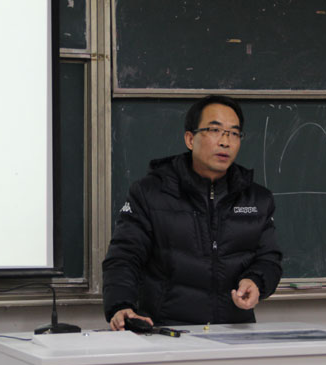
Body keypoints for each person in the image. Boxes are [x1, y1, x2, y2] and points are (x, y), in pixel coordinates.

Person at [103, 95, 282, 330]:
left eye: (234, 133)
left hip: (235, 331)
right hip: (167, 332)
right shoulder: (150, 193)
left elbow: (269, 259)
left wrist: (256, 281)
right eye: (215, 130)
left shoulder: (257, 199)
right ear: (190, 139)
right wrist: (120, 305)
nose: (225, 142)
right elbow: (124, 256)